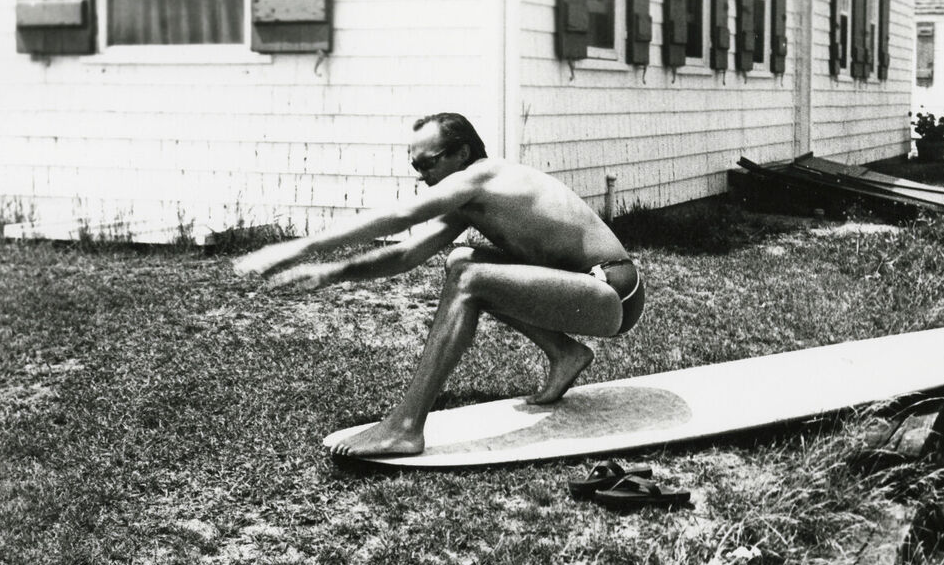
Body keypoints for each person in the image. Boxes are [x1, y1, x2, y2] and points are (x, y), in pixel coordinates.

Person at [234, 112, 644, 458]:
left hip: (614, 291)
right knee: (462, 260)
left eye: (428, 164)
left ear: (461, 153)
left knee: (470, 276)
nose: (422, 177)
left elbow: (400, 215)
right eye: (416, 168)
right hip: (585, 288)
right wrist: (332, 272)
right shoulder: (472, 201)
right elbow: (405, 254)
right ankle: (565, 354)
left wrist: (302, 245)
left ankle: (406, 426)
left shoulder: (483, 177)